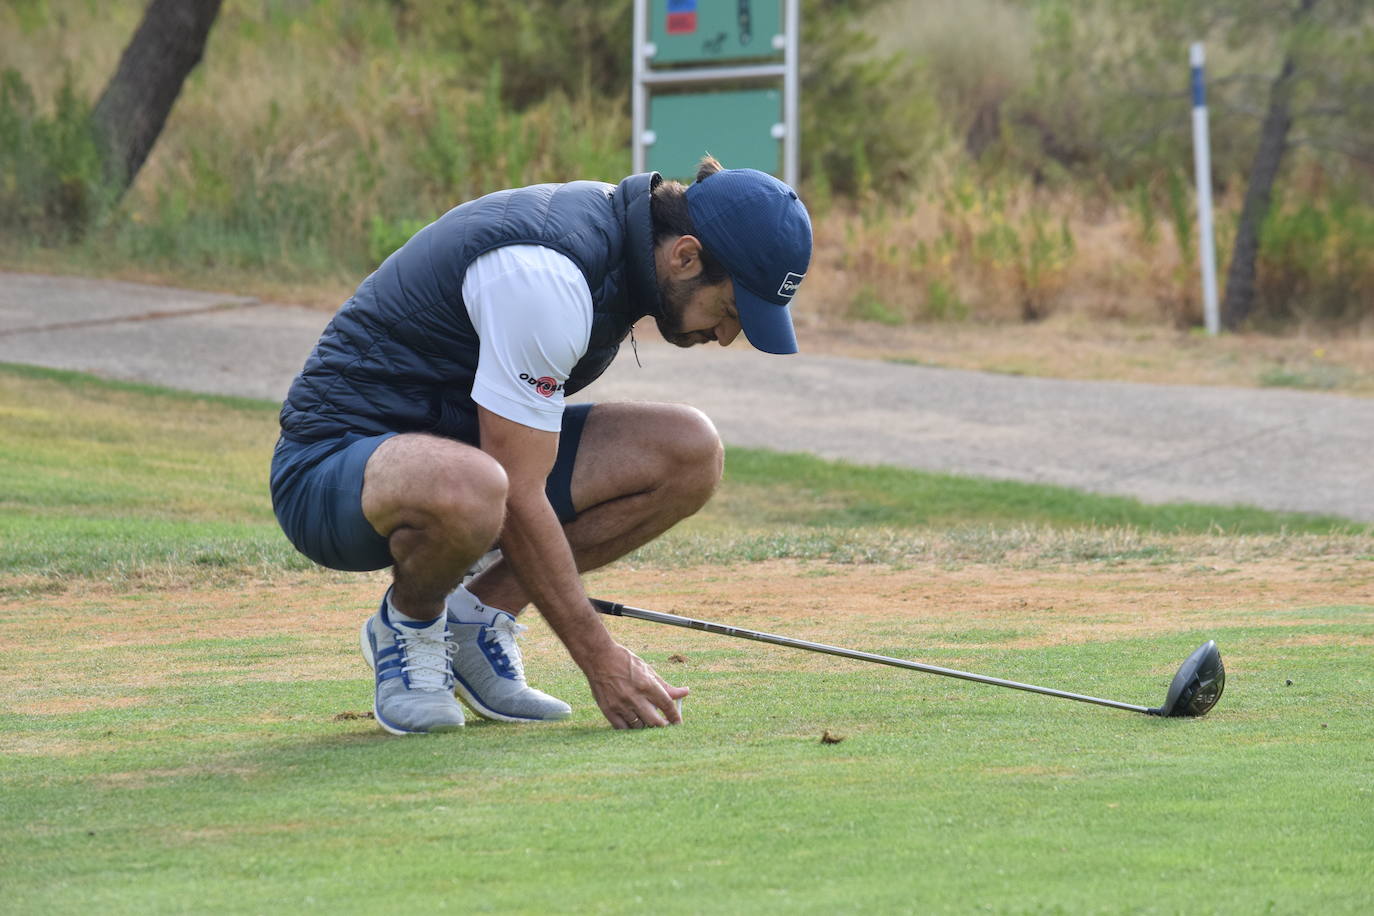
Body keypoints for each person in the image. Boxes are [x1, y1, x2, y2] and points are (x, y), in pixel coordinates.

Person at [270, 157, 812, 735]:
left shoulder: (623, 242)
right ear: (685, 255)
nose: (727, 336)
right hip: (332, 468)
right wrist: (600, 658)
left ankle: (477, 621)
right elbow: (516, 488)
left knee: (690, 451)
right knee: (481, 486)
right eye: (730, 310)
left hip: (462, 455)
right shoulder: (547, 276)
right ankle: (410, 624)